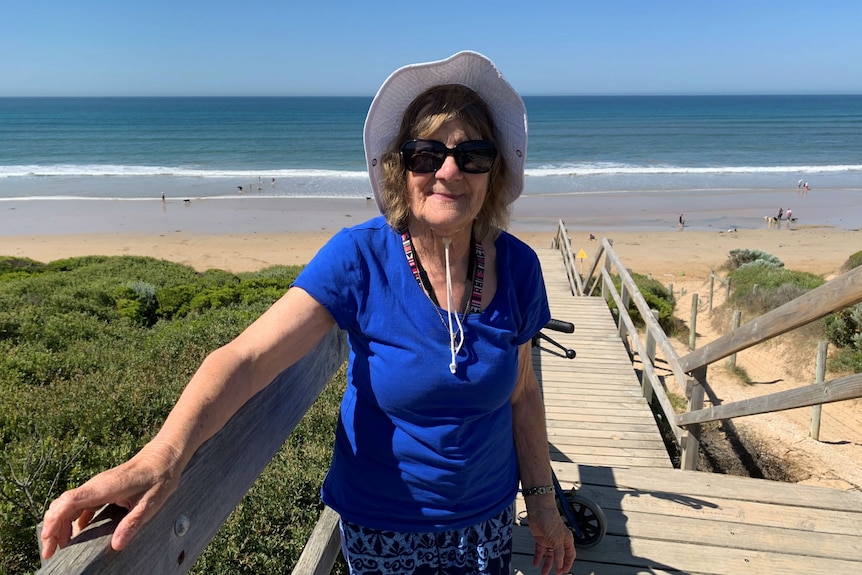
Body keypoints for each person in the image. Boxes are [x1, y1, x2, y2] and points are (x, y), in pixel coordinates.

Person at [40, 51, 576, 575]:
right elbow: (247, 357)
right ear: (401, 168)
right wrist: (161, 455)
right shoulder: (358, 257)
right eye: (426, 154)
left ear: (494, 172)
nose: (449, 170)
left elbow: (522, 390)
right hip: (384, 531)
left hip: (487, 524)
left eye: (472, 155)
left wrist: (545, 507)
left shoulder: (519, 267)